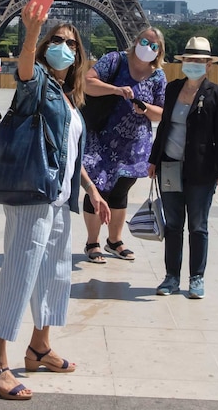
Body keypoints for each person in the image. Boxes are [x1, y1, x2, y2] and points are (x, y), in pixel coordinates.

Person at [0, 1, 110, 401]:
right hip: (32, 194)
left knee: (55, 271)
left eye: (70, 43)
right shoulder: (36, 81)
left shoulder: (70, 98)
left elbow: (67, 151)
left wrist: (90, 187)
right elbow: (22, 68)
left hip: (58, 196)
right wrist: (33, 30)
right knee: (19, 271)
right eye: (56, 40)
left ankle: (39, 346)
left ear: (78, 54)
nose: (63, 46)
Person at [148, 36, 218, 299]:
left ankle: (196, 277)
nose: (194, 65)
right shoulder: (172, 89)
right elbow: (163, 126)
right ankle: (171, 276)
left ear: (209, 66)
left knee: (198, 226)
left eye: (200, 61)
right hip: (170, 166)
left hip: (201, 170)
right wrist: (153, 159)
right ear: (183, 62)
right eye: (190, 60)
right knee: (173, 225)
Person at [81, 27, 167, 264]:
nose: (148, 48)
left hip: (134, 145)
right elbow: (87, 83)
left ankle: (114, 240)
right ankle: (92, 241)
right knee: (98, 187)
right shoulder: (114, 60)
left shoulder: (158, 76)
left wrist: (146, 109)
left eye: (154, 45)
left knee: (120, 191)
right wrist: (117, 90)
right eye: (144, 41)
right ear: (135, 40)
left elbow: (162, 113)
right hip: (102, 138)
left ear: (160, 51)